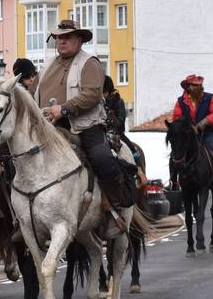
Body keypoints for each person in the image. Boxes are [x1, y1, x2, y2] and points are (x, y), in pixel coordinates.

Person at [35, 19, 136, 212]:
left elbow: (92, 94)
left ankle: (114, 208)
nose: (61, 41)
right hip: (48, 127)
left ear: (79, 40)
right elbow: (33, 94)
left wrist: (63, 109)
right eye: (58, 38)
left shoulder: (89, 63)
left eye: (67, 37)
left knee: (102, 158)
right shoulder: (46, 65)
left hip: (83, 127)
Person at [169, 75, 213, 193]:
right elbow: (177, 118)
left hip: (206, 134)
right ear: (187, 87)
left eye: (197, 85)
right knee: (174, 155)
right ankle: (173, 181)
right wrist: (187, 126)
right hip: (187, 136)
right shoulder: (180, 101)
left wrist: (203, 123)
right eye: (192, 85)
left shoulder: (210, 98)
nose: (195, 88)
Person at [104, 74, 144, 171]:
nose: (102, 95)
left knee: (131, 147)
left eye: (104, 92)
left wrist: (110, 120)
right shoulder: (98, 101)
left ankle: (139, 170)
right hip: (102, 132)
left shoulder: (118, 101)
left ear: (109, 91)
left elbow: (121, 123)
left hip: (117, 132)